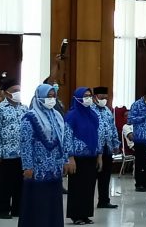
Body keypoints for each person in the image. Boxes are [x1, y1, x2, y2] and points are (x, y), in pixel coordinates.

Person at [18, 84, 66, 227]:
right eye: (48, 96)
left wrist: (64, 160)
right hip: (37, 169)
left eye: (53, 96)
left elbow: (62, 140)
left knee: (53, 203)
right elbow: (25, 143)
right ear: (39, 97)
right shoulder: (30, 117)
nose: (51, 99)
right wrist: (27, 166)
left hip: (55, 168)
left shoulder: (57, 116)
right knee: (39, 204)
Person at [63, 87, 101, 225]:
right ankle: (76, 215)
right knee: (77, 187)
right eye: (85, 96)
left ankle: (85, 214)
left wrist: (99, 155)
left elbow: (97, 135)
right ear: (77, 98)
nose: (88, 98)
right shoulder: (71, 115)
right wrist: (70, 158)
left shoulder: (93, 115)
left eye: (90, 95)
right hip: (77, 158)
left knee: (89, 187)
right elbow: (67, 137)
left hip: (91, 156)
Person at [0, 77, 28, 219]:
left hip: (22, 153)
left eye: (19, 90)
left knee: (20, 183)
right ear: (7, 93)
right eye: (15, 90)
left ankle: (17, 209)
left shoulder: (24, 108)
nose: (18, 92)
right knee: (5, 183)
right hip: (6, 154)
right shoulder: (0, 109)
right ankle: (3, 210)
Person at [93, 86, 120, 209]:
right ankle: (87, 203)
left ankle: (104, 201)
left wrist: (115, 144)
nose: (104, 100)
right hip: (94, 149)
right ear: (95, 97)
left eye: (106, 98)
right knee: (92, 177)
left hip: (107, 148)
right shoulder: (90, 111)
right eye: (101, 97)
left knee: (105, 177)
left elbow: (113, 128)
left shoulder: (107, 111)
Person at [127, 87, 146, 191]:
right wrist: (144, 117)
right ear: (145, 96)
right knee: (140, 162)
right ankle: (139, 184)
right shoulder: (136, 105)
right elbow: (130, 120)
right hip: (140, 138)